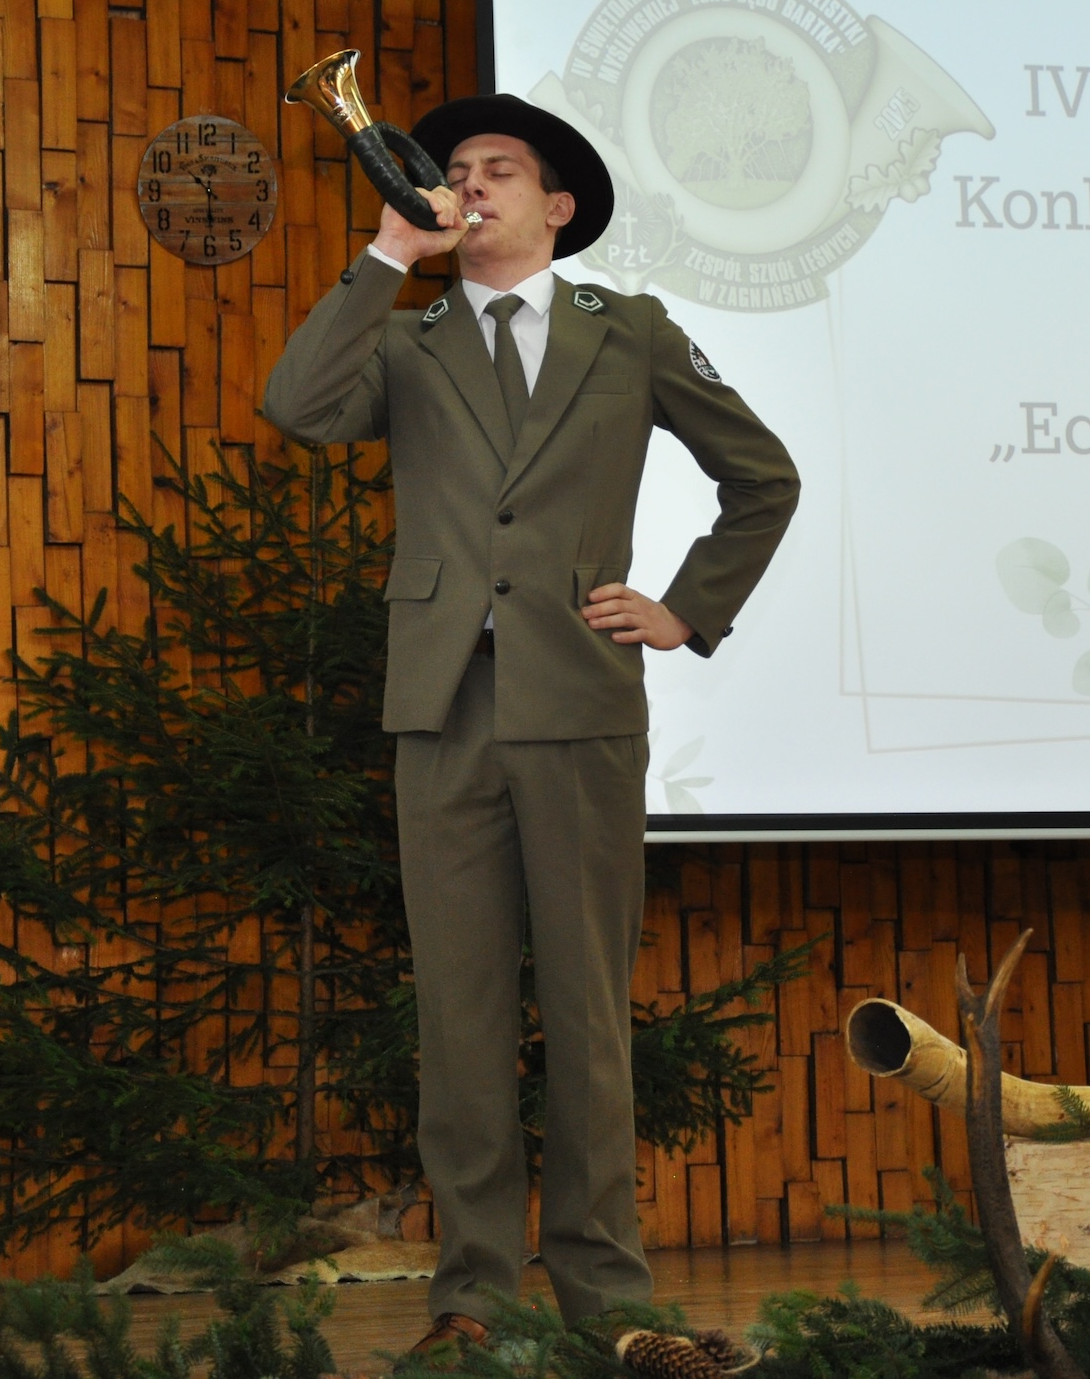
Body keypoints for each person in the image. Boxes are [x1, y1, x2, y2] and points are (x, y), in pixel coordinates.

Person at [263, 93, 799, 1356]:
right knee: (458, 1017)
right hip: (442, 705)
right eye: (455, 168)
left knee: (585, 1010)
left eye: (498, 169)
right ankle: (473, 1296)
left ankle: (606, 1301)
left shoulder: (630, 331)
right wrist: (389, 253)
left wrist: (686, 610)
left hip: (580, 702)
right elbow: (296, 406)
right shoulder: (409, 336)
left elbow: (761, 477)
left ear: (557, 207)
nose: (469, 182)